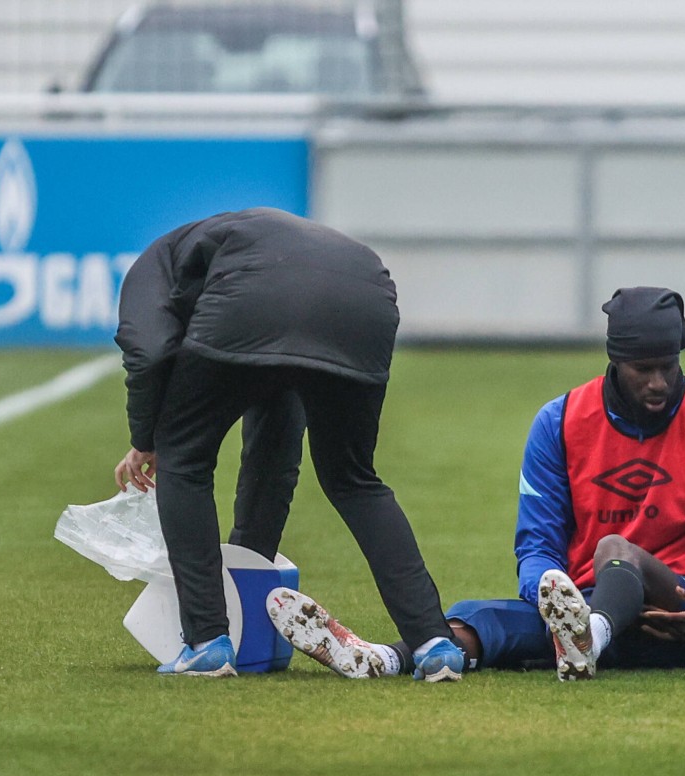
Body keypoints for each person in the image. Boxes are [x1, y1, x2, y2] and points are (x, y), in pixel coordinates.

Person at [268, 286, 685, 681]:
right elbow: (536, 548)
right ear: (615, 362)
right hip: (586, 606)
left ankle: (586, 638)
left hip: (683, 613)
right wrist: (553, 605)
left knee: (617, 548)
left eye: (668, 367)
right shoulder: (560, 423)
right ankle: (382, 659)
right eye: (643, 369)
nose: (659, 382)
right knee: (481, 621)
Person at [113, 207, 463, 682]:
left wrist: (147, 439)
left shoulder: (151, 267)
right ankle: (433, 641)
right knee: (354, 479)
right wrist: (248, 558)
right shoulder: (238, 248)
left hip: (258, 300)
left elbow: (150, 351)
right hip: (366, 298)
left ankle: (205, 643)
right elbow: (274, 443)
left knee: (185, 458)